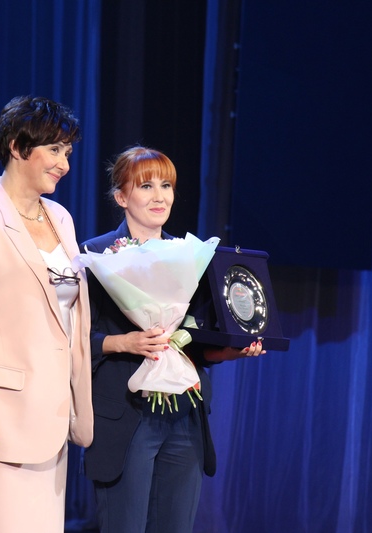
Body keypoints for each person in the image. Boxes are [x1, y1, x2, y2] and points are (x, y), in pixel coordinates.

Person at [80, 146, 264, 533]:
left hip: (184, 413)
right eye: (146, 186)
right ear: (121, 197)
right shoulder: (95, 255)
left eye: (166, 186)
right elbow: (74, 339)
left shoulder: (188, 255)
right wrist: (124, 342)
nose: (159, 196)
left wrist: (230, 351)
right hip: (126, 412)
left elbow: (195, 342)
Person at [0, 95, 93, 532]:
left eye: (67, 152)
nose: (64, 164)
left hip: (49, 421)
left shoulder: (60, 218)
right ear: (17, 146)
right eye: (54, 149)